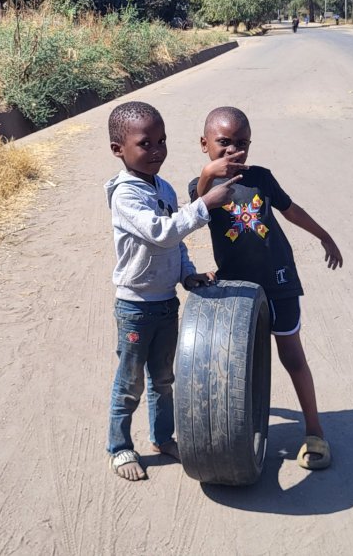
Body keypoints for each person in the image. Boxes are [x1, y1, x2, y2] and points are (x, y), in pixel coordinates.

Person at [189, 106, 344, 470]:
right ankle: (240, 428)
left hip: (279, 281)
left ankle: (315, 431)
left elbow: (290, 210)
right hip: (237, 291)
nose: (233, 151)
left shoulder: (261, 178)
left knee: (292, 356)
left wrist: (324, 236)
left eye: (242, 143)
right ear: (204, 144)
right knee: (239, 362)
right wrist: (207, 176)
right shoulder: (201, 186)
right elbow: (193, 214)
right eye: (224, 142)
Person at [104, 101, 240, 481]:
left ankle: (162, 438)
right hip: (135, 307)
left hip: (166, 303)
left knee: (163, 380)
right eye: (145, 144)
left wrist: (187, 275)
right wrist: (203, 205)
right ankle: (119, 448)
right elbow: (161, 233)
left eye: (162, 141)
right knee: (129, 383)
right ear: (118, 149)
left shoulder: (162, 187)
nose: (157, 151)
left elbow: (176, 243)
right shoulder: (125, 195)